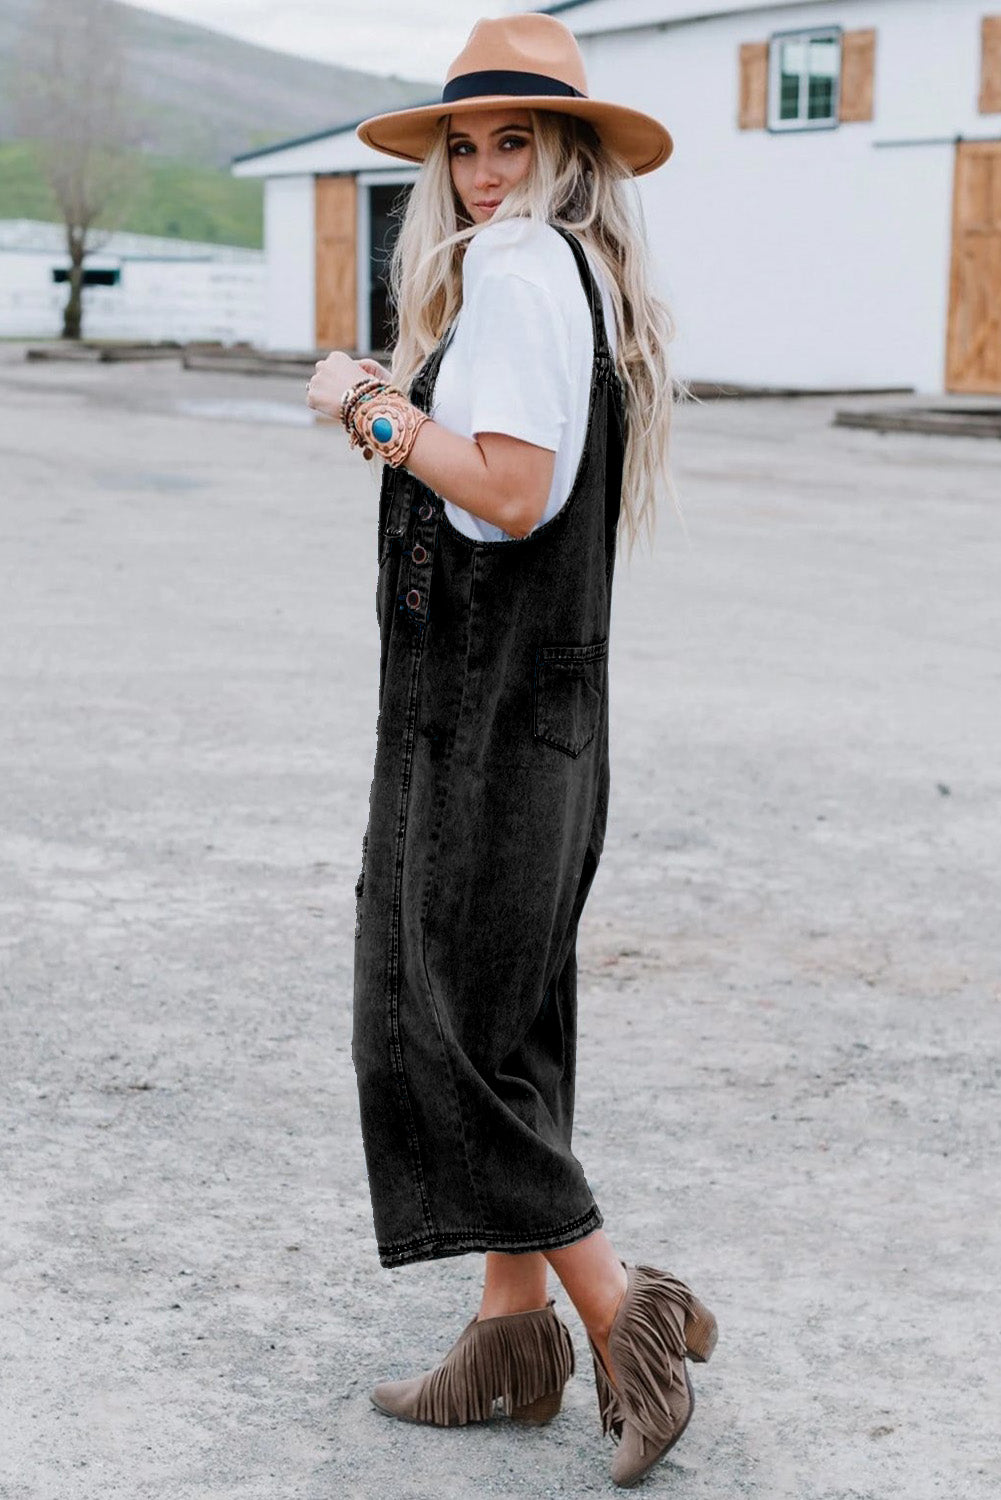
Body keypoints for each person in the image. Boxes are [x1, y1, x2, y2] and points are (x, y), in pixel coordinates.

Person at [306, 13, 716, 1488]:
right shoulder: (569, 278)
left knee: (435, 1028)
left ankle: (624, 1326)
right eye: (463, 149)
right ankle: (506, 1335)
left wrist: (366, 403)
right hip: (521, 709)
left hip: (482, 716)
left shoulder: (527, 269)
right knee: (502, 1021)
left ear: (565, 155)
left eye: (511, 144)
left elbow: (510, 492)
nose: (482, 174)